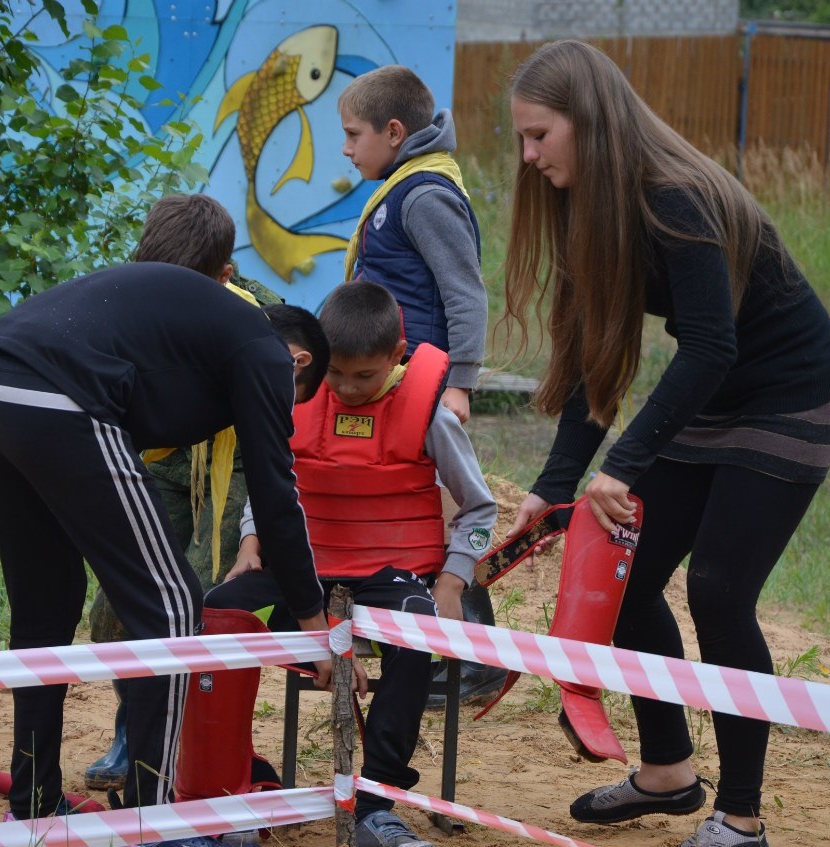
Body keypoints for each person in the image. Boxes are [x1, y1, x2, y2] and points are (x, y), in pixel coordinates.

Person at [502, 40, 830, 847]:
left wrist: (621, 465)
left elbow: (708, 345)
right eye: (520, 137)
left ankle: (741, 817)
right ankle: (666, 769)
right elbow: (590, 362)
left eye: (539, 135)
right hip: (716, 395)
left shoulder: (676, 197)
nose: (527, 156)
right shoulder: (589, 204)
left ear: (589, 122)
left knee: (719, 591)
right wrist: (553, 485)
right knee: (627, 576)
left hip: (792, 393)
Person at [0, 252, 334, 828]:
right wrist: (313, 623)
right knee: (172, 607)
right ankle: (152, 826)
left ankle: (32, 810)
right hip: (62, 397)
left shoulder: (209, 332)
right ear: (298, 361)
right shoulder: (264, 351)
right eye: (295, 397)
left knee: (44, 609)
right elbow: (276, 497)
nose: (280, 412)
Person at [207, 280, 499, 847]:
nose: (346, 387)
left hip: (391, 575)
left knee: (417, 638)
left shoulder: (431, 415)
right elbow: (270, 485)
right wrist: (250, 541)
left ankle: (376, 802)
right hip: (303, 571)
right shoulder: (296, 396)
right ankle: (231, 782)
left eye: (364, 375)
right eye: (335, 373)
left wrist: (451, 580)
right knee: (216, 612)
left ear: (397, 355)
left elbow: (480, 507)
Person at [83, 193, 285, 792]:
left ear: (223, 276)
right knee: (114, 608)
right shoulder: (123, 295)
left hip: (235, 465)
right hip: (160, 458)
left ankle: (172, 741)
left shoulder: (265, 316)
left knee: (191, 600)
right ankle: (131, 722)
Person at [337, 64, 504, 704]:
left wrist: (458, 384)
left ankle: (474, 661)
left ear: (394, 132)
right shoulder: (400, 187)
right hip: (396, 377)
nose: (347, 149)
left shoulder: (424, 196)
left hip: (424, 381)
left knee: (449, 509)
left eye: (353, 134)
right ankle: (422, 643)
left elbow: (465, 292)